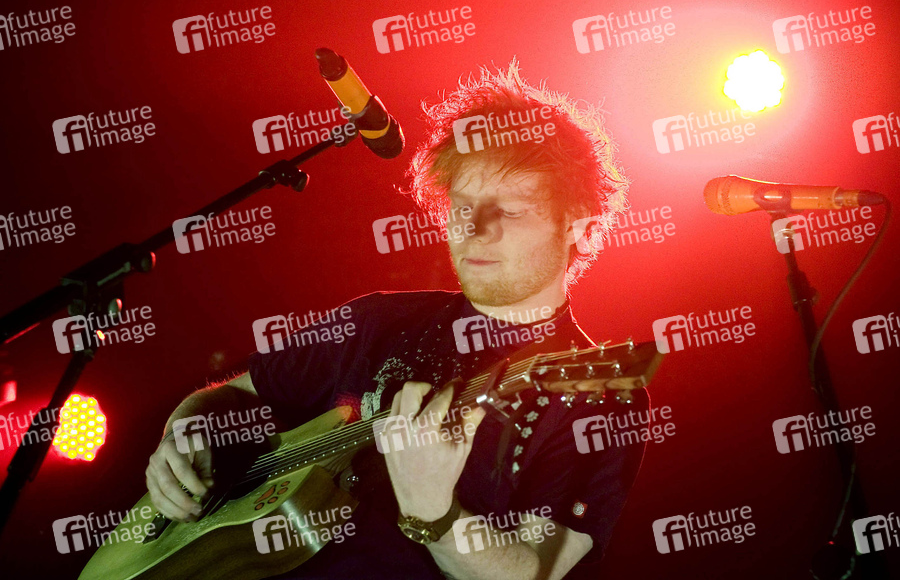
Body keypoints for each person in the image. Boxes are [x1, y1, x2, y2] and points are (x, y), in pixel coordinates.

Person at [145, 61, 649, 579]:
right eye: (462, 206)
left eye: (511, 211)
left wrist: (435, 515)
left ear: (578, 226)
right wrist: (183, 434)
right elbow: (234, 395)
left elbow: (534, 572)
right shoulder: (376, 320)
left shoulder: (602, 394)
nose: (475, 229)